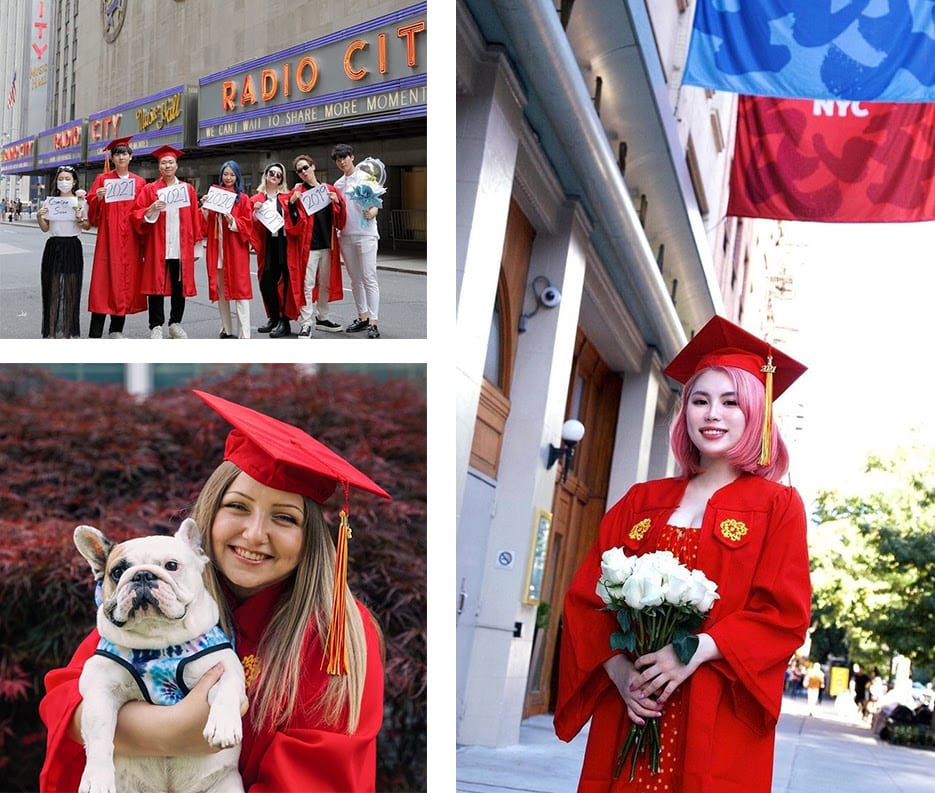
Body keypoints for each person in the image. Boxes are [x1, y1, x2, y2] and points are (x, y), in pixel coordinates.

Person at [38, 389, 390, 792]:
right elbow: (66, 699)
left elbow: (316, 778)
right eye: (238, 507)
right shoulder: (168, 599)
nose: (255, 534)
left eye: (285, 517)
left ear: (312, 538)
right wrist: (166, 731)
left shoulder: (334, 633)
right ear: (210, 512)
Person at [554, 315, 812, 793]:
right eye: (700, 400)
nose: (713, 414)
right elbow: (586, 599)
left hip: (718, 710)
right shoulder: (640, 501)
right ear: (685, 411)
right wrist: (618, 672)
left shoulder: (778, 507)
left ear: (757, 413)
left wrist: (689, 653)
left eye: (731, 402)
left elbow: (783, 614)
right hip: (634, 704)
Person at [132, 145, 206, 339]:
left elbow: (194, 217)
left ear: (176, 165)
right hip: (158, 246)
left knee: (179, 287)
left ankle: (175, 324)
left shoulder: (187, 189)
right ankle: (156, 326)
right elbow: (137, 214)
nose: (167, 165)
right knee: (155, 286)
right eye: (163, 162)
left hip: (180, 246)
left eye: (170, 162)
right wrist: (151, 209)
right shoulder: (150, 190)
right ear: (159, 166)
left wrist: (195, 247)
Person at [85, 137, 148, 338]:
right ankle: (95, 334)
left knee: (125, 282)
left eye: (124, 153)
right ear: (112, 159)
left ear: (131, 157)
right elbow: (92, 212)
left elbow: (141, 211)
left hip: (130, 240)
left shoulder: (139, 183)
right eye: (117, 154)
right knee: (102, 284)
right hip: (108, 239)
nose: (121, 157)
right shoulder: (102, 180)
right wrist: (98, 198)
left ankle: (116, 330)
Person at [290, 154, 346, 337]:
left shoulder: (328, 189)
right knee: (307, 284)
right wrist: (292, 203)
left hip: (327, 245)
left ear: (313, 166)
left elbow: (340, 221)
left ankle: (322, 317)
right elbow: (292, 222)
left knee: (325, 283)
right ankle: (306, 322)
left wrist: (337, 202)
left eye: (305, 167)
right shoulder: (298, 193)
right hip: (308, 247)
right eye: (299, 170)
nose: (303, 172)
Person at [331, 144, 382, 339]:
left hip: (366, 234)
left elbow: (376, 203)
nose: (342, 161)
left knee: (369, 277)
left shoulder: (366, 177)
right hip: (345, 235)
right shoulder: (337, 185)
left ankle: (373, 322)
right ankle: (362, 316)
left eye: (345, 157)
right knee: (355, 279)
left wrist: (372, 212)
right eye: (338, 159)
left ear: (352, 157)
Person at [36, 166, 90, 338]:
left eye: (68, 179)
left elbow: (87, 226)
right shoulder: (50, 201)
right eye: (61, 179)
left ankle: (67, 333)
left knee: (71, 290)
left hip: (72, 245)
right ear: (56, 181)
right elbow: (45, 228)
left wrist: (80, 217)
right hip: (54, 245)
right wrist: (39, 217)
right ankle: (50, 333)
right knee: (52, 290)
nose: (64, 182)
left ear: (74, 182)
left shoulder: (80, 201)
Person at [202, 161, 254, 339]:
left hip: (235, 250)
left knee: (241, 291)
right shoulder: (215, 195)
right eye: (225, 174)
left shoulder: (243, 199)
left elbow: (248, 226)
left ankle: (244, 333)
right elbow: (205, 226)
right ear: (221, 176)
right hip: (217, 249)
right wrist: (205, 209)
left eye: (232, 174)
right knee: (221, 290)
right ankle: (226, 328)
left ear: (237, 176)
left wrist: (232, 220)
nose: (228, 178)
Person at [250, 162, 302, 338]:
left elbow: (297, 219)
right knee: (266, 283)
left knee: (286, 284)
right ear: (265, 175)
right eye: (272, 173)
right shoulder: (256, 199)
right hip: (268, 245)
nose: (275, 176)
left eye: (279, 175)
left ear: (282, 180)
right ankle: (273, 316)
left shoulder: (287, 197)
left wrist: (293, 206)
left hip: (285, 244)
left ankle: (284, 321)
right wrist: (254, 214)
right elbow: (250, 225)